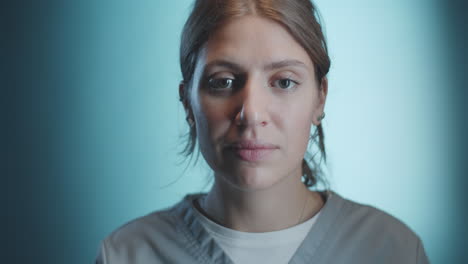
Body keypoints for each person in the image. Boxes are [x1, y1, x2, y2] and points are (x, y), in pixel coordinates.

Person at [95, 0, 429, 263]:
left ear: (319, 98)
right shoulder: (126, 255)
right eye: (223, 82)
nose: (251, 114)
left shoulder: (393, 250)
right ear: (188, 103)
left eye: (284, 82)